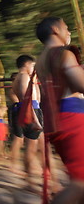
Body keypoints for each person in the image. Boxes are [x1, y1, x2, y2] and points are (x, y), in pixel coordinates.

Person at [35, 17, 84, 203]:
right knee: (80, 184)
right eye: (66, 27)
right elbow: (80, 84)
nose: (69, 31)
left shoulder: (42, 59)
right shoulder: (63, 53)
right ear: (55, 29)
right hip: (74, 118)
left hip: (57, 120)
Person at [10, 55, 44, 183]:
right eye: (33, 65)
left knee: (33, 145)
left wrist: (34, 79)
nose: (34, 68)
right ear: (27, 64)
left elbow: (35, 97)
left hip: (32, 109)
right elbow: (26, 99)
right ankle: (29, 178)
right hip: (31, 111)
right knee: (31, 146)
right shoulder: (23, 76)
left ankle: (29, 174)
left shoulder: (24, 77)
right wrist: (34, 118)